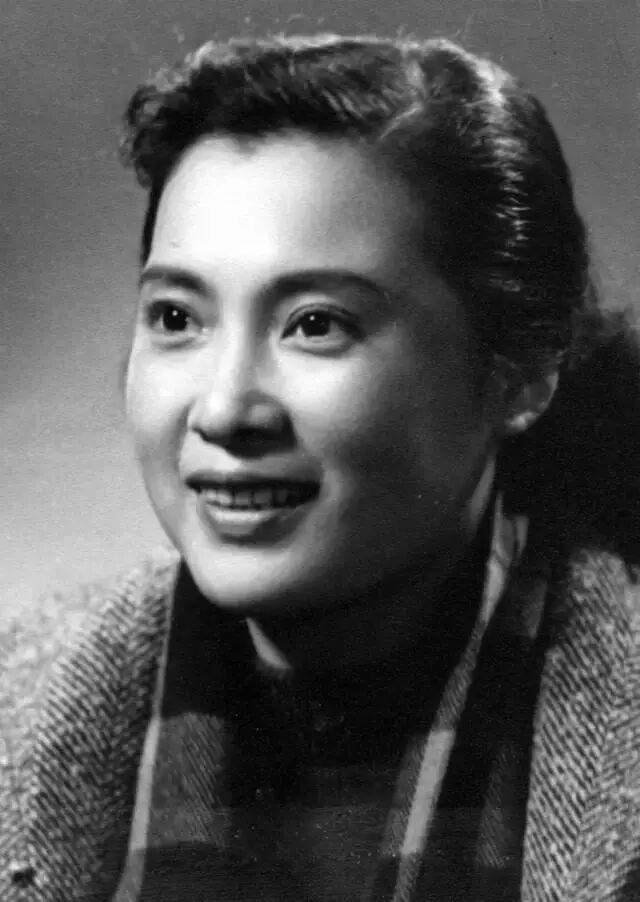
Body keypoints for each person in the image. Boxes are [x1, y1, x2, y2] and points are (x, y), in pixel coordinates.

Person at [2, 32, 640, 902]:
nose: (225, 408)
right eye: (177, 318)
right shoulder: (17, 705)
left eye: (316, 324)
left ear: (522, 372)